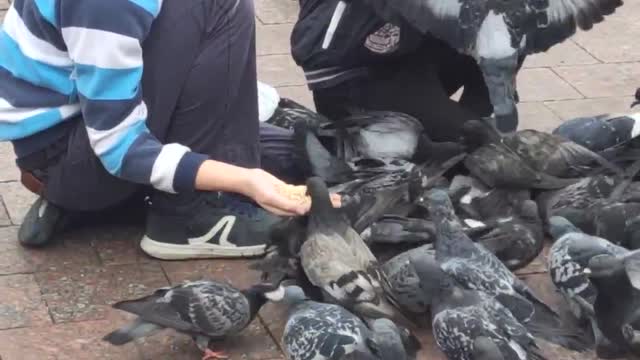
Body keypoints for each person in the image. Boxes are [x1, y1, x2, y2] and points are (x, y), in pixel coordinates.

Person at [0, 0, 312, 260]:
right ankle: (187, 217)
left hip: (74, 137)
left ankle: (101, 204)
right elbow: (119, 149)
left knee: (297, 152)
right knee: (219, 6)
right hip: (75, 157)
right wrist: (245, 180)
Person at [289, 0, 526, 141]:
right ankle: (460, 137)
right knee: (471, 144)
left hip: (413, 49)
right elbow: (315, 51)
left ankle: (475, 121)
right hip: (353, 71)